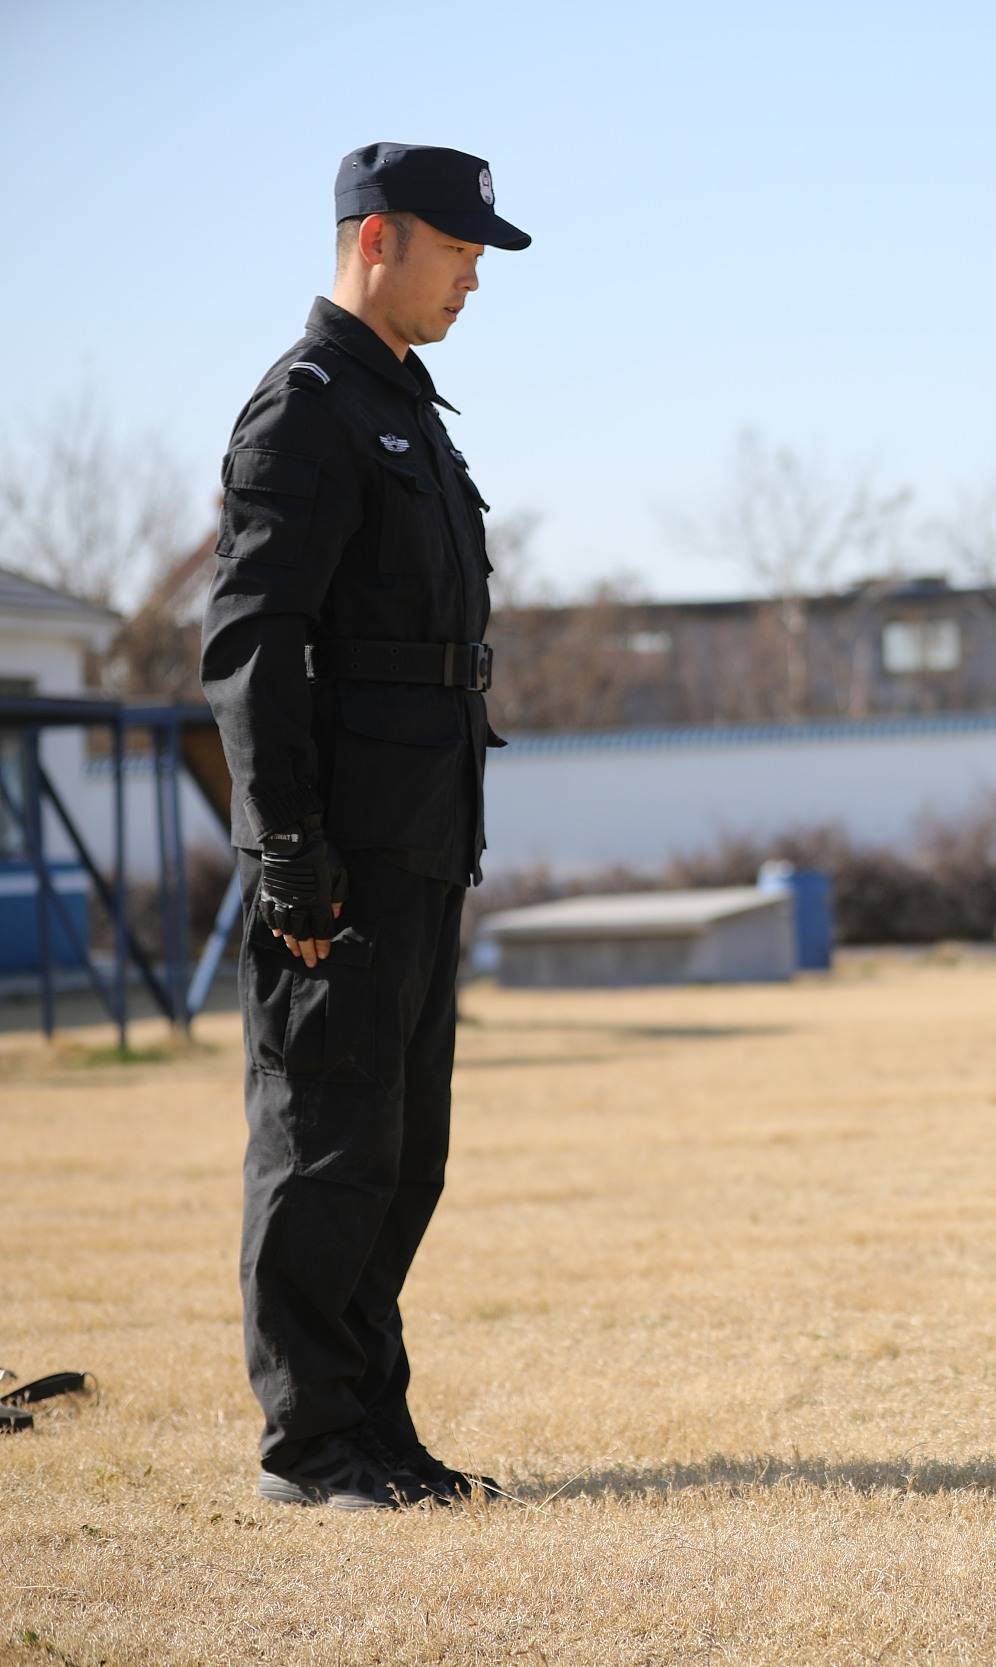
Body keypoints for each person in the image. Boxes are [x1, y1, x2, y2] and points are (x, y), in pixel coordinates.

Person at [199, 143, 528, 1510]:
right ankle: (311, 1447)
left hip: (420, 838)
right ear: (378, 238)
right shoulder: (306, 412)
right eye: (456, 249)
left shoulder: (405, 409)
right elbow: (254, 643)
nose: (471, 276)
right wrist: (285, 849)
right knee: (325, 1140)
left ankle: (372, 1432)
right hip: (337, 851)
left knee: (402, 1153)